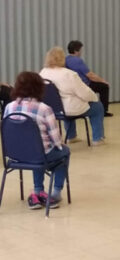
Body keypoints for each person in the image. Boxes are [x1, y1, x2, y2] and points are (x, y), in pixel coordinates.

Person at [3, 71, 70, 209]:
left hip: (14, 155)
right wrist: (59, 146)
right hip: (38, 155)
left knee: (35, 148)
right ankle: (55, 193)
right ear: (39, 88)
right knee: (63, 151)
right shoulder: (44, 109)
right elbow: (56, 140)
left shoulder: (9, 107)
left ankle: (37, 191)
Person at [40, 47, 105, 146]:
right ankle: (97, 138)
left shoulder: (43, 72)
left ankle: (71, 136)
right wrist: (94, 98)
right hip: (70, 109)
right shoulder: (69, 74)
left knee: (65, 107)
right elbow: (85, 93)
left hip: (53, 109)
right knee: (97, 107)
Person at [65, 40, 113, 117]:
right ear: (76, 51)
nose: (81, 52)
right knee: (104, 87)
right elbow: (90, 75)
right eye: (80, 50)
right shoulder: (78, 60)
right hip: (84, 85)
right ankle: (104, 111)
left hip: (72, 86)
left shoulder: (65, 59)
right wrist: (103, 81)